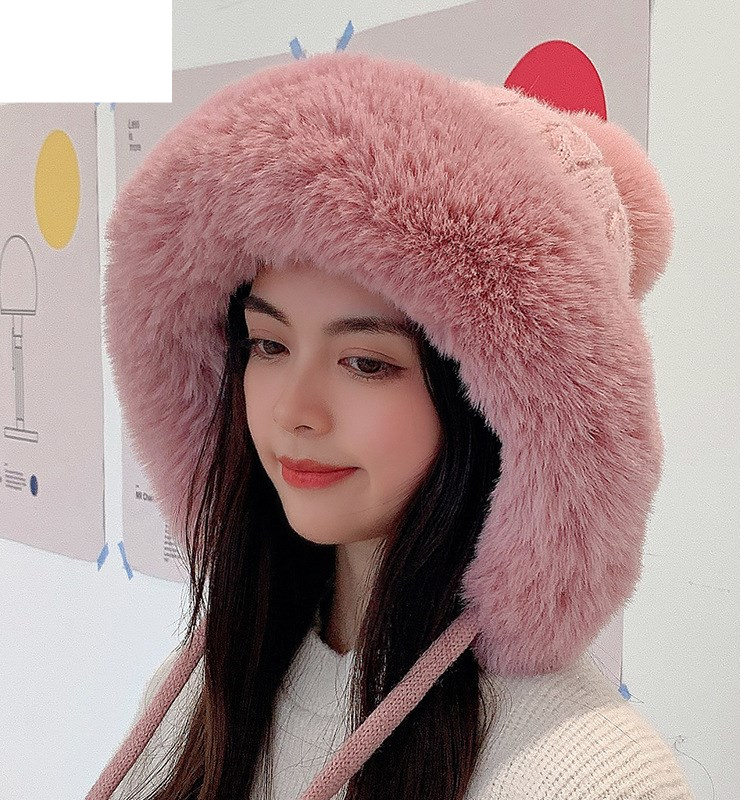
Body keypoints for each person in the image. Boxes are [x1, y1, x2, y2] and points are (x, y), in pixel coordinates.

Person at [89, 52, 694, 799]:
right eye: (268, 345)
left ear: (495, 405)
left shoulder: (584, 772)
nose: (293, 411)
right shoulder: (202, 688)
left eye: (366, 363)